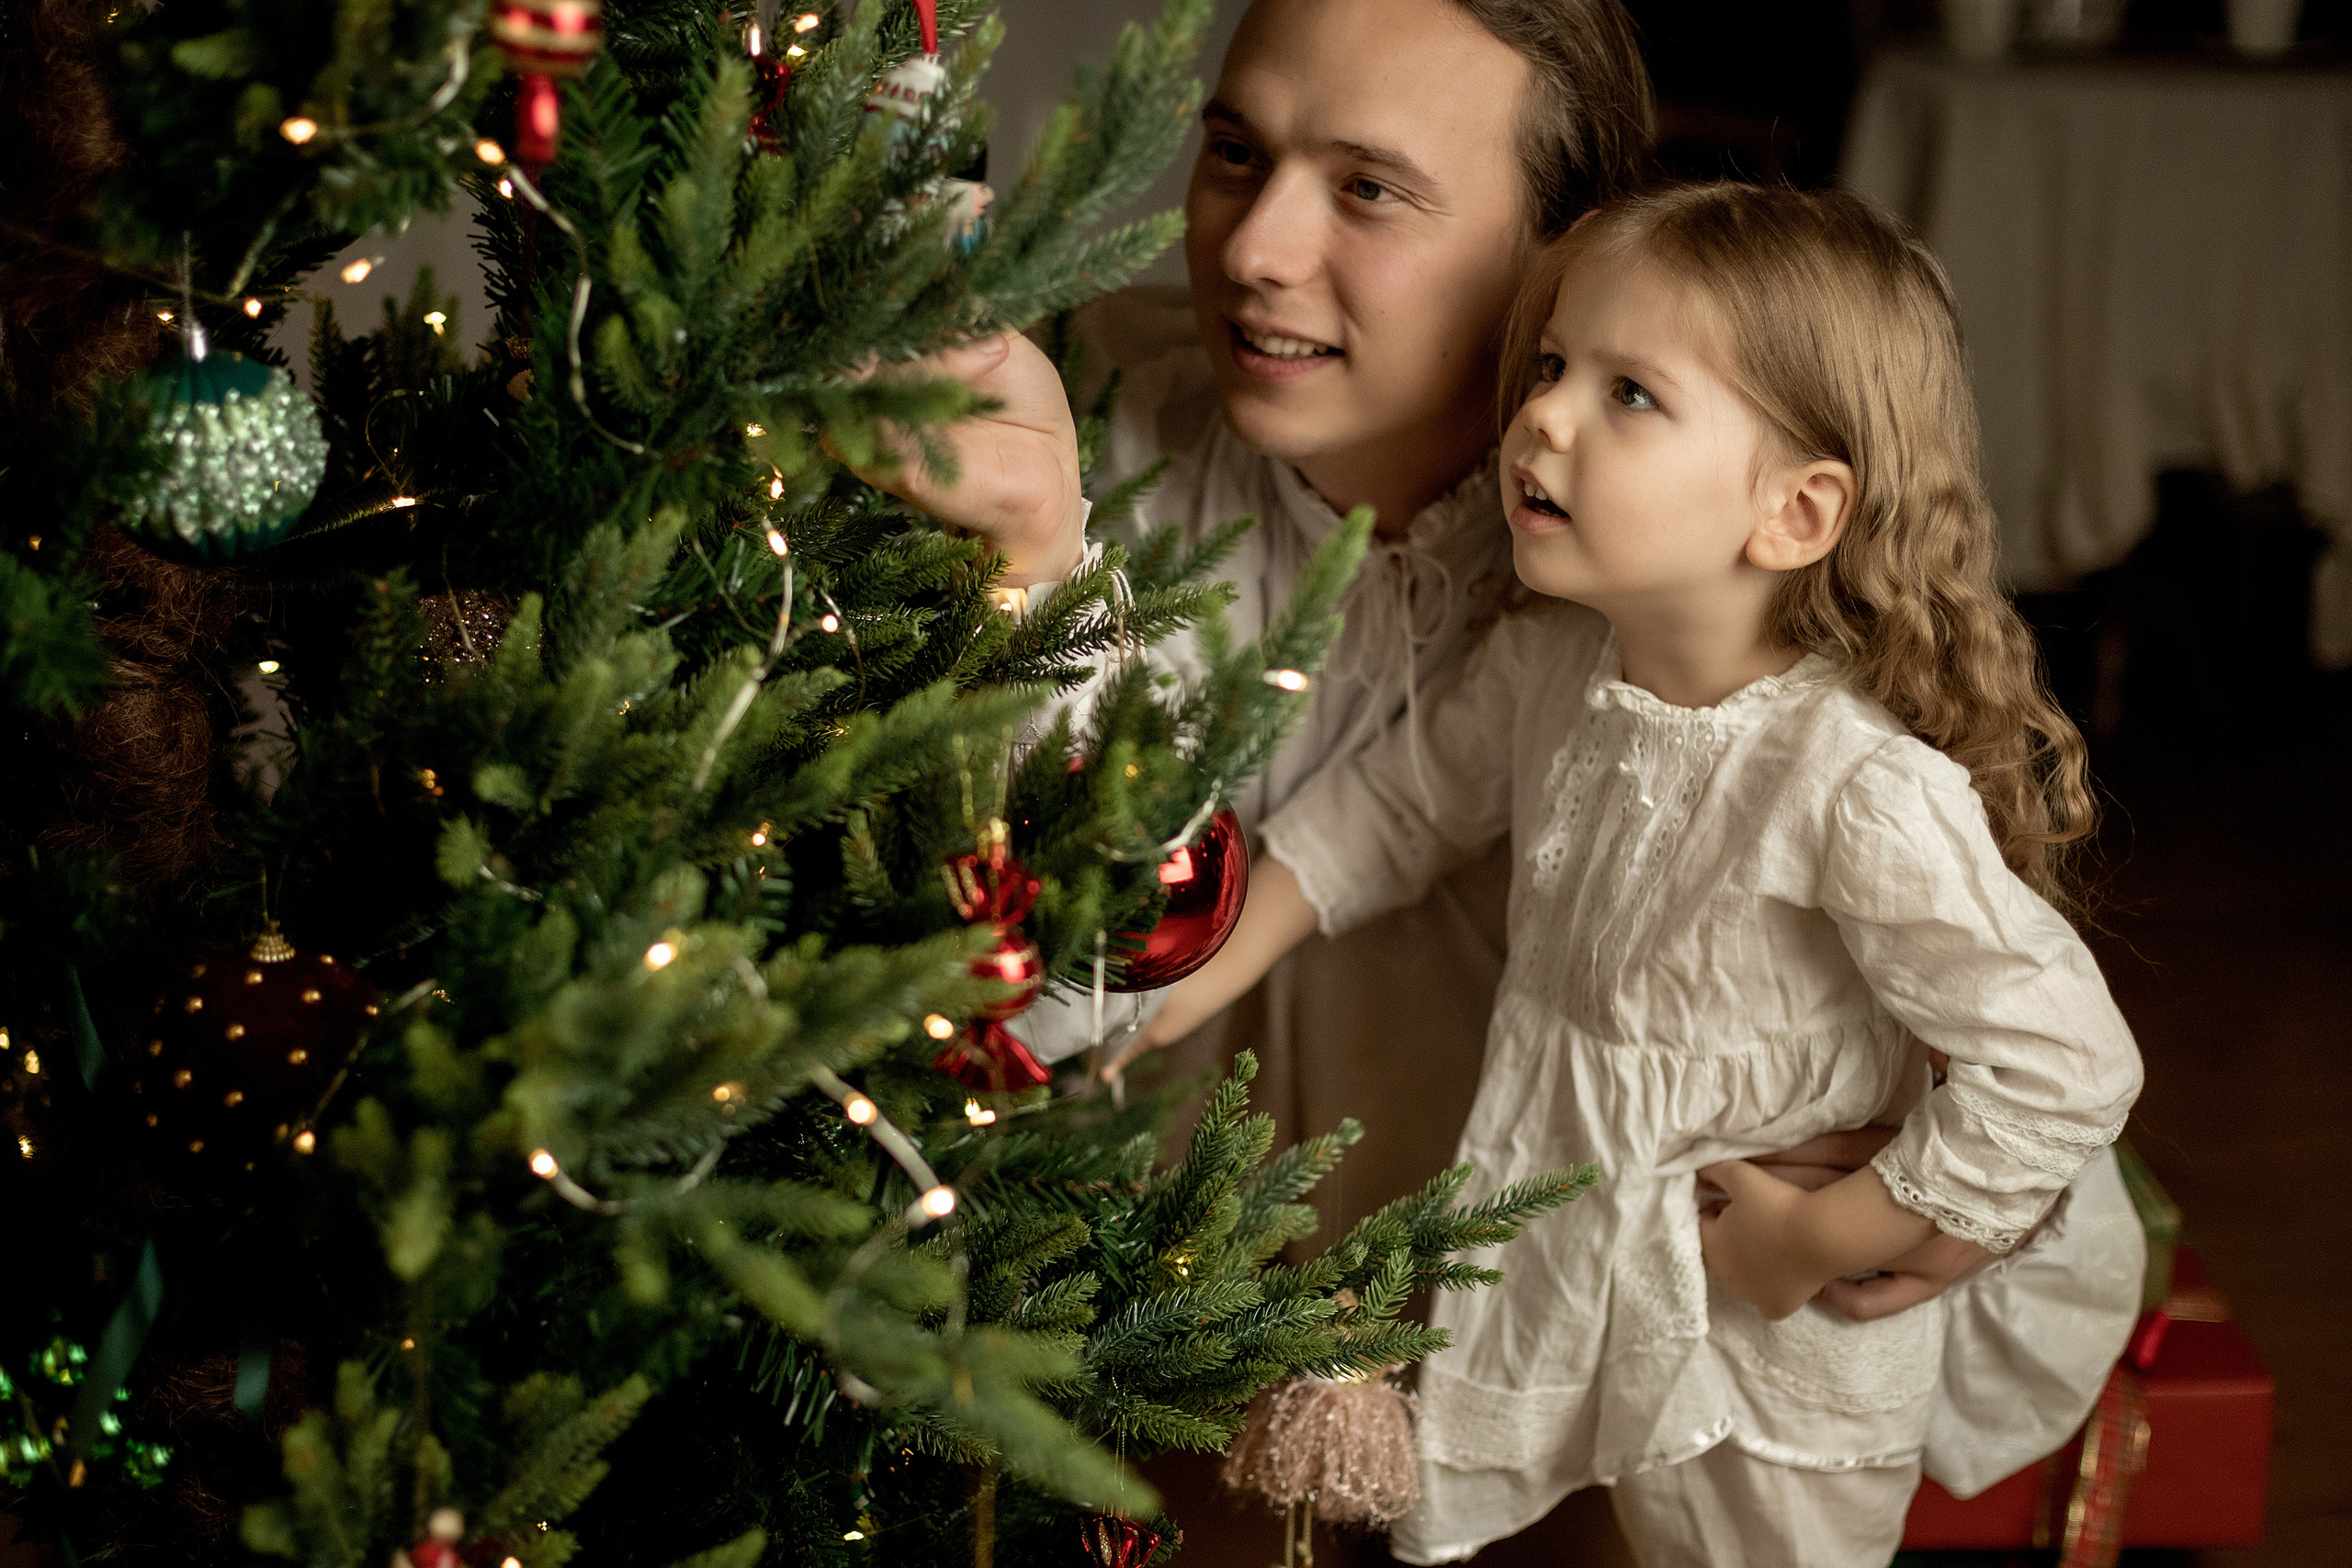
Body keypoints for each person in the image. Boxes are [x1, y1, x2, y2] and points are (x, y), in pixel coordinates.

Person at [1104, 183, 2146, 1568]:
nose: (1543, 416)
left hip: (1782, 1333)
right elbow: (1396, 809)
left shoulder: (1851, 781)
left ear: (1794, 511)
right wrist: (1199, 972)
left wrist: (1827, 1235)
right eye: (1550, 368)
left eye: (1631, 394)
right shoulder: (1554, 669)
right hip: (1599, 1262)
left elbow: (2066, 1061)